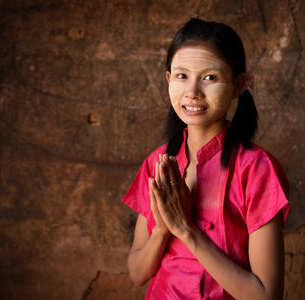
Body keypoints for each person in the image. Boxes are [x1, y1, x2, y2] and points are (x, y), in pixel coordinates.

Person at [122, 18, 290, 300]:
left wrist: (186, 230)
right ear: (168, 79)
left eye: (210, 77)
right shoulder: (158, 162)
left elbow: (266, 295)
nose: (192, 92)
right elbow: (137, 274)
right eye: (181, 76)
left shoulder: (257, 169)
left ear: (238, 84)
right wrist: (162, 230)